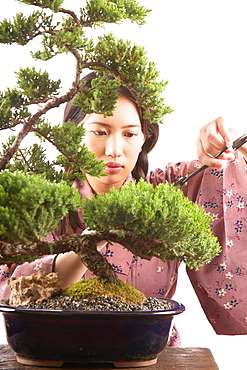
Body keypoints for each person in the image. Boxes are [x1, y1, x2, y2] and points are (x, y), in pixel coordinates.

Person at [1, 73, 247, 343]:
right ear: (71, 135)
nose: (114, 150)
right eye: (99, 131)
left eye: (129, 133)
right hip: (57, 355)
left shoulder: (167, 192)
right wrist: (89, 243)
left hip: (151, 354)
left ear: (145, 137)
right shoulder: (37, 205)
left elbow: (230, 174)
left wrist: (233, 143)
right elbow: (12, 293)